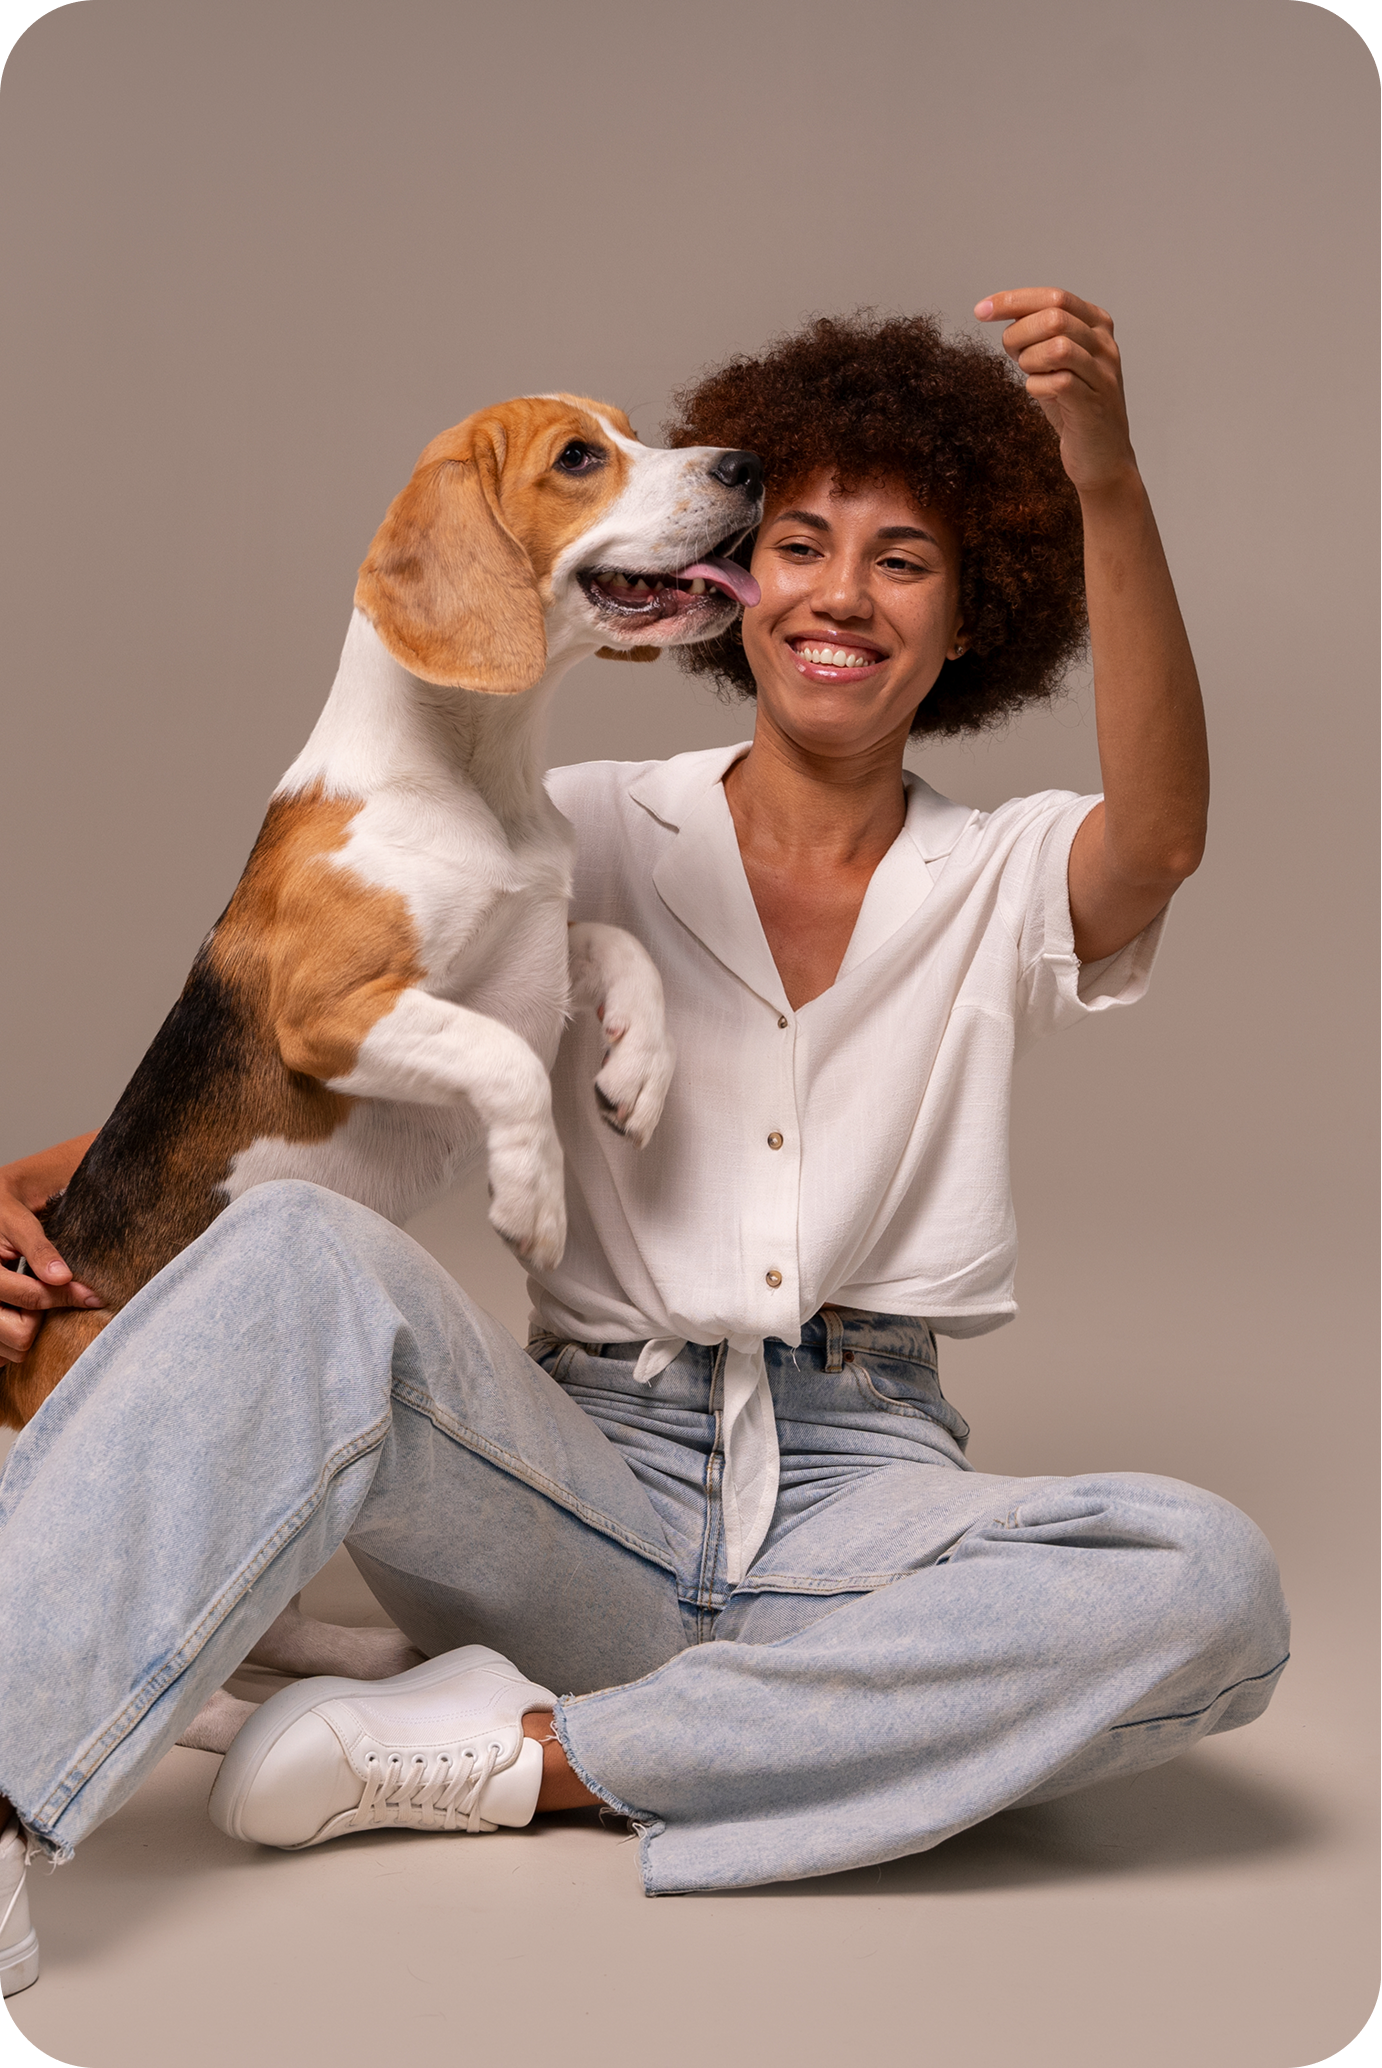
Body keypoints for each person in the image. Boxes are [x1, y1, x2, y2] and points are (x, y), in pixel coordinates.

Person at [0, 289, 1289, 1988]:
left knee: (1203, 1579)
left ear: (975, 616)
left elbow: (1168, 835)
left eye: (904, 560)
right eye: (802, 544)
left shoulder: (1003, 875)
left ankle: (529, 1759)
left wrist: (1105, 478)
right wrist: (33, 1206)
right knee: (297, 1250)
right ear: (725, 592)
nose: (838, 593)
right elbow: (267, 1067)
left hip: (858, 1491)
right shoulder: (575, 827)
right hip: (567, 1473)